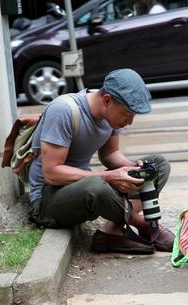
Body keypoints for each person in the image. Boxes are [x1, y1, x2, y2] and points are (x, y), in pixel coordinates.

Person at [28, 68, 174, 255]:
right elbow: (52, 173)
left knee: (157, 165)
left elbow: (110, 154)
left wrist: (132, 168)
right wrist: (108, 176)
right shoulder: (63, 110)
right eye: (127, 114)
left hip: (82, 185)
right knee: (97, 186)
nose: (129, 122)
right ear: (106, 100)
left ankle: (110, 232)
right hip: (48, 199)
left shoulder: (110, 116)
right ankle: (144, 224)